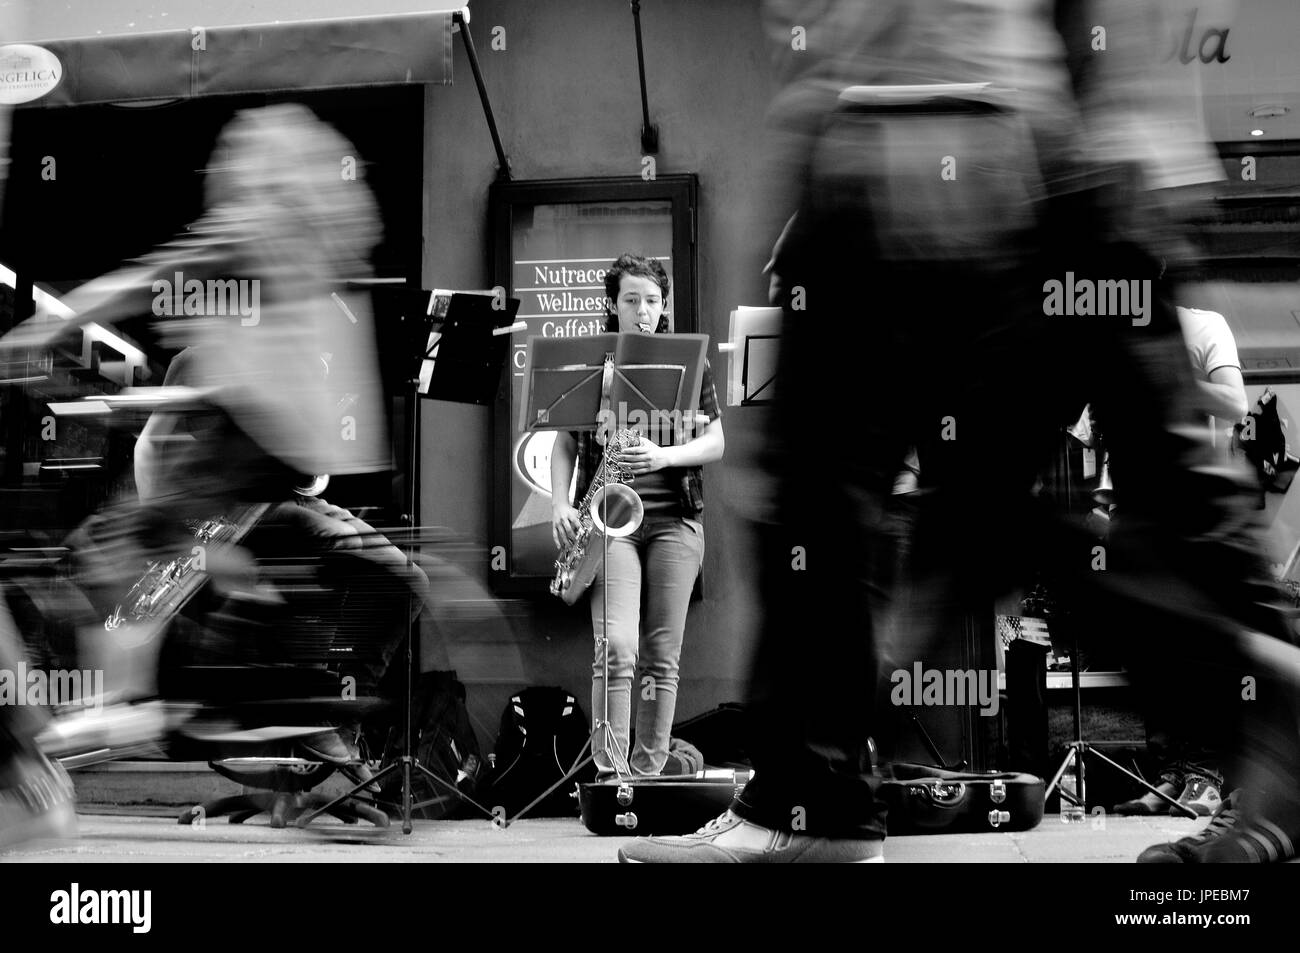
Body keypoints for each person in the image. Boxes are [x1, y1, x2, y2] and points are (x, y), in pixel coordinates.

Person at [619, 0, 1300, 864]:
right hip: (929, 144)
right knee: (874, 509)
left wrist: (943, 116)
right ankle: (812, 800)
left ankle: (813, 799)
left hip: (975, 143)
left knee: (953, 513)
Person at [549, 254, 724, 777]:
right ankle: (611, 775)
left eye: (652, 301)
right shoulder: (591, 363)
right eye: (631, 300)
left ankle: (647, 777)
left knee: (661, 655)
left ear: (664, 305)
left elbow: (716, 441)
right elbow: (563, 442)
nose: (643, 311)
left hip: (676, 520)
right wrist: (559, 504)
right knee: (617, 646)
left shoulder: (691, 363)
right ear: (613, 305)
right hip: (610, 522)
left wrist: (667, 456)